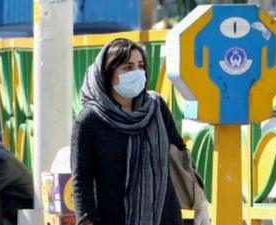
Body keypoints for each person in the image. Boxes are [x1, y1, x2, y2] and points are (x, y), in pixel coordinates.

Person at [71, 38, 193, 225]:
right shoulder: (89, 121)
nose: (137, 73)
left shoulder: (156, 107)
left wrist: (199, 202)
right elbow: (81, 184)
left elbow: (180, 155)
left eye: (140, 66)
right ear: (108, 74)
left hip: (164, 218)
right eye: (127, 68)